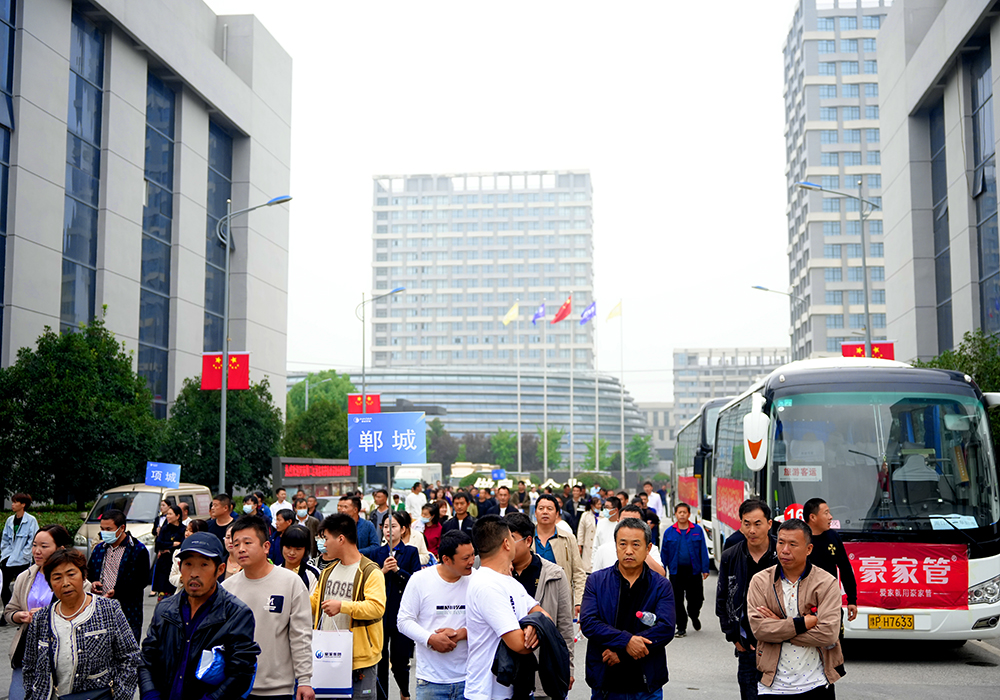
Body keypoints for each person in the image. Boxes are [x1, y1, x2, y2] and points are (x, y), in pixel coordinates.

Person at [139, 532, 260, 700]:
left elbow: (241, 673)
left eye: (204, 565)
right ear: (180, 567)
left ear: (220, 569)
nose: (194, 573)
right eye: (188, 564)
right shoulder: (165, 609)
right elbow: (146, 660)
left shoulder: (236, 614)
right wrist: (150, 694)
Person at [22, 548, 140, 700]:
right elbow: (30, 667)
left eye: (71, 575)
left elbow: (131, 657)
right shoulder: (41, 619)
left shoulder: (109, 610)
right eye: (57, 578)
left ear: (84, 576)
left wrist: (119, 695)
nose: (65, 583)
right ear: (50, 584)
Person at [579, 518, 675, 700]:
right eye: (622, 544)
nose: (628, 551)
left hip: (647, 686)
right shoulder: (597, 581)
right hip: (606, 682)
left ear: (648, 549)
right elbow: (589, 623)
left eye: (636, 545)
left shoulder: (661, 585)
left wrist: (622, 652)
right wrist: (627, 641)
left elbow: (666, 628)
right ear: (615, 546)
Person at [748, 519, 844, 698]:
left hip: (816, 683)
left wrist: (780, 628)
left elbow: (828, 633)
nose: (785, 550)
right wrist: (801, 624)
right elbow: (759, 630)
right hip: (771, 685)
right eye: (781, 542)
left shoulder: (826, 583)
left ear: (809, 549)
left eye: (793, 544)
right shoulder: (760, 581)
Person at [223, 516, 315, 700]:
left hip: (278, 689)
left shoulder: (291, 583)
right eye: (236, 544)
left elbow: (300, 635)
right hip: (235, 687)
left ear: (266, 547)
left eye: (247, 542)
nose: (241, 549)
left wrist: (304, 680)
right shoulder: (227, 588)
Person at [465, 516, 546, 700]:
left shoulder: (509, 581)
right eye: (511, 536)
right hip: (489, 692)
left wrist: (534, 626)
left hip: (515, 687)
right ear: (506, 543)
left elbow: (542, 615)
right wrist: (536, 628)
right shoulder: (487, 585)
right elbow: (519, 644)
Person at [310, 514, 387, 700]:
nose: (324, 544)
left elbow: (376, 608)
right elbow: (313, 604)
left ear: (341, 539)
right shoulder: (327, 572)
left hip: (358, 661)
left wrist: (342, 606)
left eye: (326, 538)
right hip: (327, 656)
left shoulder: (370, 572)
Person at [4, 525, 83, 700]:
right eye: (34, 545)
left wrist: (50, 614)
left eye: (44, 546)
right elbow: (9, 611)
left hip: (62, 653)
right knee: (17, 695)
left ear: (60, 549)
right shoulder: (25, 577)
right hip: (27, 651)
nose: (37, 551)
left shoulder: (76, 580)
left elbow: (83, 615)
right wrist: (20, 616)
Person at [397, 530, 474, 700]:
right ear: (446, 559)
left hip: (470, 679)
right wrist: (430, 639)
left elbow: (488, 623)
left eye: (473, 555)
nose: (471, 562)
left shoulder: (477, 581)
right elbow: (403, 620)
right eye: (465, 558)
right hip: (431, 681)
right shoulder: (420, 580)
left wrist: (461, 634)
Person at [507, 513, 576, 695]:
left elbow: (565, 627)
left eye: (511, 539)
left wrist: (567, 667)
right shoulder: (495, 575)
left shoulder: (554, 574)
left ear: (528, 540)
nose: (505, 546)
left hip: (542, 671)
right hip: (504, 673)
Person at [716, 499, 778, 700]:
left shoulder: (783, 554)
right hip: (747, 646)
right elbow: (722, 599)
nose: (752, 530)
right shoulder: (730, 556)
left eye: (757, 524)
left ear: (769, 524)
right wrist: (734, 637)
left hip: (781, 643)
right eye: (746, 523)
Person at [374, 512, 420, 700]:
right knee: (381, 660)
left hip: (402, 613)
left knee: (400, 660)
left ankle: (404, 692)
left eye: (393, 526)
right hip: (380, 614)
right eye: (385, 526)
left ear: (402, 529)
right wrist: (382, 571)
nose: (388, 530)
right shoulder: (376, 553)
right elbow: (369, 583)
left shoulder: (410, 552)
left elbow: (416, 582)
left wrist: (398, 571)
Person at [87, 508, 150, 642]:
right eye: (102, 529)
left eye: (109, 529)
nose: (104, 533)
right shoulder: (99, 549)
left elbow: (142, 580)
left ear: (121, 528)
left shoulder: (138, 550)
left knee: (127, 652)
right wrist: (92, 583)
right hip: (100, 610)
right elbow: (90, 572)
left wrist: (118, 591)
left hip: (128, 611)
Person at [804, 498, 858, 626]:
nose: (830, 517)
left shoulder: (833, 536)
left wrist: (852, 600)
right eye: (826, 513)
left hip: (830, 601)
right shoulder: (800, 538)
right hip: (805, 603)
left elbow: (845, 568)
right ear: (813, 517)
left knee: (834, 641)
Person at [660, 502, 710, 638]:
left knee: (696, 599)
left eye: (684, 512)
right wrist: (661, 569)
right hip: (676, 572)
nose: (682, 514)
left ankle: (694, 615)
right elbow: (664, 553)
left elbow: (703, 550)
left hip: (694, 571)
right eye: (679, 512)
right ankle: (681, 627)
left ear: (688, 514)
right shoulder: (669, 532)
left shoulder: (697, 530)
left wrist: (705, 568)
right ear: (675, 514)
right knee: (677, 600)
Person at [533, 494, 587, 615]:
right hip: (531, 598)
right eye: (541, 508)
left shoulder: (568, 538)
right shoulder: (527, 537)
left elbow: (578, 573)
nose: (545, 512)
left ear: (557, 514)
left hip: (560, 599)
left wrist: (579, 601)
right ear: (535, 513)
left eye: (550, 509)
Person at [591, 505, 667, 576]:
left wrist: (643, 552)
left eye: (634, 522)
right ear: (618, 521)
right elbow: (595, 580)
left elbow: (661, 575)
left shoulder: (650, 549)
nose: (629, 526)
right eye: (625, 521)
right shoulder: (603, 550)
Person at [1, 493, 39, 614]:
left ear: (23, 505)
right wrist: (5, 553)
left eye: (15, 502)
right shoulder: (10, 520)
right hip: (9, 558)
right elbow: (5, 538)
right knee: (3, 587)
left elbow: (33, 539)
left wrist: (25, 554)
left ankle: (23, 612)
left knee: (23, 588)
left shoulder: (31, 520)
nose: (12, 504)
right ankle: (8, 611)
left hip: (23, 560)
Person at [152, 504, 185, 600]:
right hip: (163, 564)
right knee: (162, 595)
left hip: (175, 563)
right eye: (167, 514)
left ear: (178, 516)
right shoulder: (164, 529)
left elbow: (181, 545)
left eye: (170, 514)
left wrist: (167, 547)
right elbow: (158, 544)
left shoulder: (183, 529)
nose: (168, 516)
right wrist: (172, 544)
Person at [167, 519, 211, 590]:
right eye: (186, 530)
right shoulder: (178, 552)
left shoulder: (208, 553)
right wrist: (182, 578)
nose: (187, 533)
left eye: (191, 531)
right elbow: (172, 577)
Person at [281, 524, 321, 592]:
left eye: (298, 549)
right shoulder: (274, 572)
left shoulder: (313, 574)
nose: (292, 553)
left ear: (306, 550)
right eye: (288, 547)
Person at [339, 494, 381, 559]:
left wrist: (357, 552)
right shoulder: (337, 525)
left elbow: (375, 546)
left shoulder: (367, 525)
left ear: (355, 510)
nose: (342, 510)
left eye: (345, 507)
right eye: (341, 507)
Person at [577, 496, 601, 573]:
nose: (599, 506)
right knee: (587, 566)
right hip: (588, 544)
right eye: (598, 504)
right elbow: (581, 530)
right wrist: (579, 544)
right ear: (592, 506)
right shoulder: (585, 515)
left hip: (598, 543)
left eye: (600, 504)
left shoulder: (603, 515)